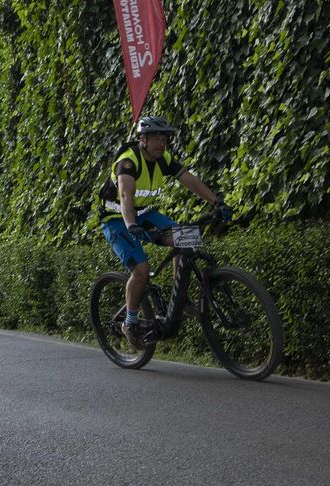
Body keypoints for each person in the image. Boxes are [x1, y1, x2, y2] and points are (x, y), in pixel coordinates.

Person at [98, 115, 231, 348]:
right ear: (143, 140)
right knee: (141, 270)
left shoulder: (164, 159)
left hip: (146, 214)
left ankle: (179, 298)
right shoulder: (128, 162)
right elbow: (126, 196)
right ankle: (129, 322)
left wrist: (216, 202)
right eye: (156, 138)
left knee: (186, 237)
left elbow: (190, 180)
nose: (161, 143)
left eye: (164, 139)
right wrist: (131, 225)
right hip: (117, 219)